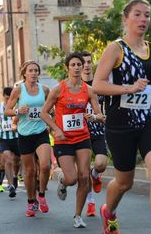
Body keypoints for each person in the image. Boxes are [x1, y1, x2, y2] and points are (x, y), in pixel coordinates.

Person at [92, 0, 151, 234]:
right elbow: (97, 85)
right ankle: (108, 211)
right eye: (137, 14)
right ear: (125, 19)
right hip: (120, 124)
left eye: (147, 15)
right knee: (123, 182)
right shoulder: (115, 49)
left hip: (149, 118)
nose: (143, 19)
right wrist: (127, 88)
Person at [41, 52, 104, 228]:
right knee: (72, 179)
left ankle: (77, 216)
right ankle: (62, 179)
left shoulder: (89, 90)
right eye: (73, 65)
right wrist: (56, 129)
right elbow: (44, 113)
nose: (77, 67)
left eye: (80, 64)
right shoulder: (58, 89)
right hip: (63, 139)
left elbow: (98, 113)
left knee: (84, 177)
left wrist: (95, 116)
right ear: (67, 67)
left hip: (83, 137)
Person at [5, 60, 51, 217]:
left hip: (41, 132)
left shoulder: (44, 89)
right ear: (24, 73)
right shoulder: (18, 90)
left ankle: (42, 195)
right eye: (30, 70)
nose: (33, 73)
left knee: (45, 166)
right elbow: (7, 111)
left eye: (36, 70)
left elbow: (52, 107)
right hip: (25, 134)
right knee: (30, 171)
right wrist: (18, 111)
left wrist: (53, 123)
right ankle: (31, 202)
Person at [79, 51, 108, 217]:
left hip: (98, 130)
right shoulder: (75, 86)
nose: (87, 65)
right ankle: (90, 203)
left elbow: (106, 109)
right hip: (81, 133)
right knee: (83, 169)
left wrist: (100, 117)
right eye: (84, 62)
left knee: (101, 164)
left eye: (89, 62)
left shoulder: (98, 85)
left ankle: (96, 175)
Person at [0, 87, 20, 198]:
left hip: (17, 136)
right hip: (4, 137)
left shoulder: (18, 105)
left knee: (17, 161)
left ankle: (15, 176)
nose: (9, 100)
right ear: (3, 96)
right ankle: (11, 185)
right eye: (7, 97)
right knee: (8, 159)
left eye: (10, 98)